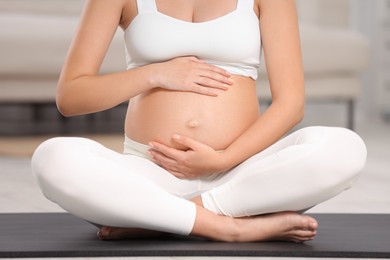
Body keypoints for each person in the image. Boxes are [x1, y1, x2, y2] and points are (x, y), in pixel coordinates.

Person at [31, 0, 367, 243]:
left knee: (345, 148)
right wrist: (157, 73)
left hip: (242, 174)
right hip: (150, 172)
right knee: (52, 158)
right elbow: (71, 97)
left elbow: (291, 105)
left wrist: (223, 158)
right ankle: (228, 227)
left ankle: (161, 218)